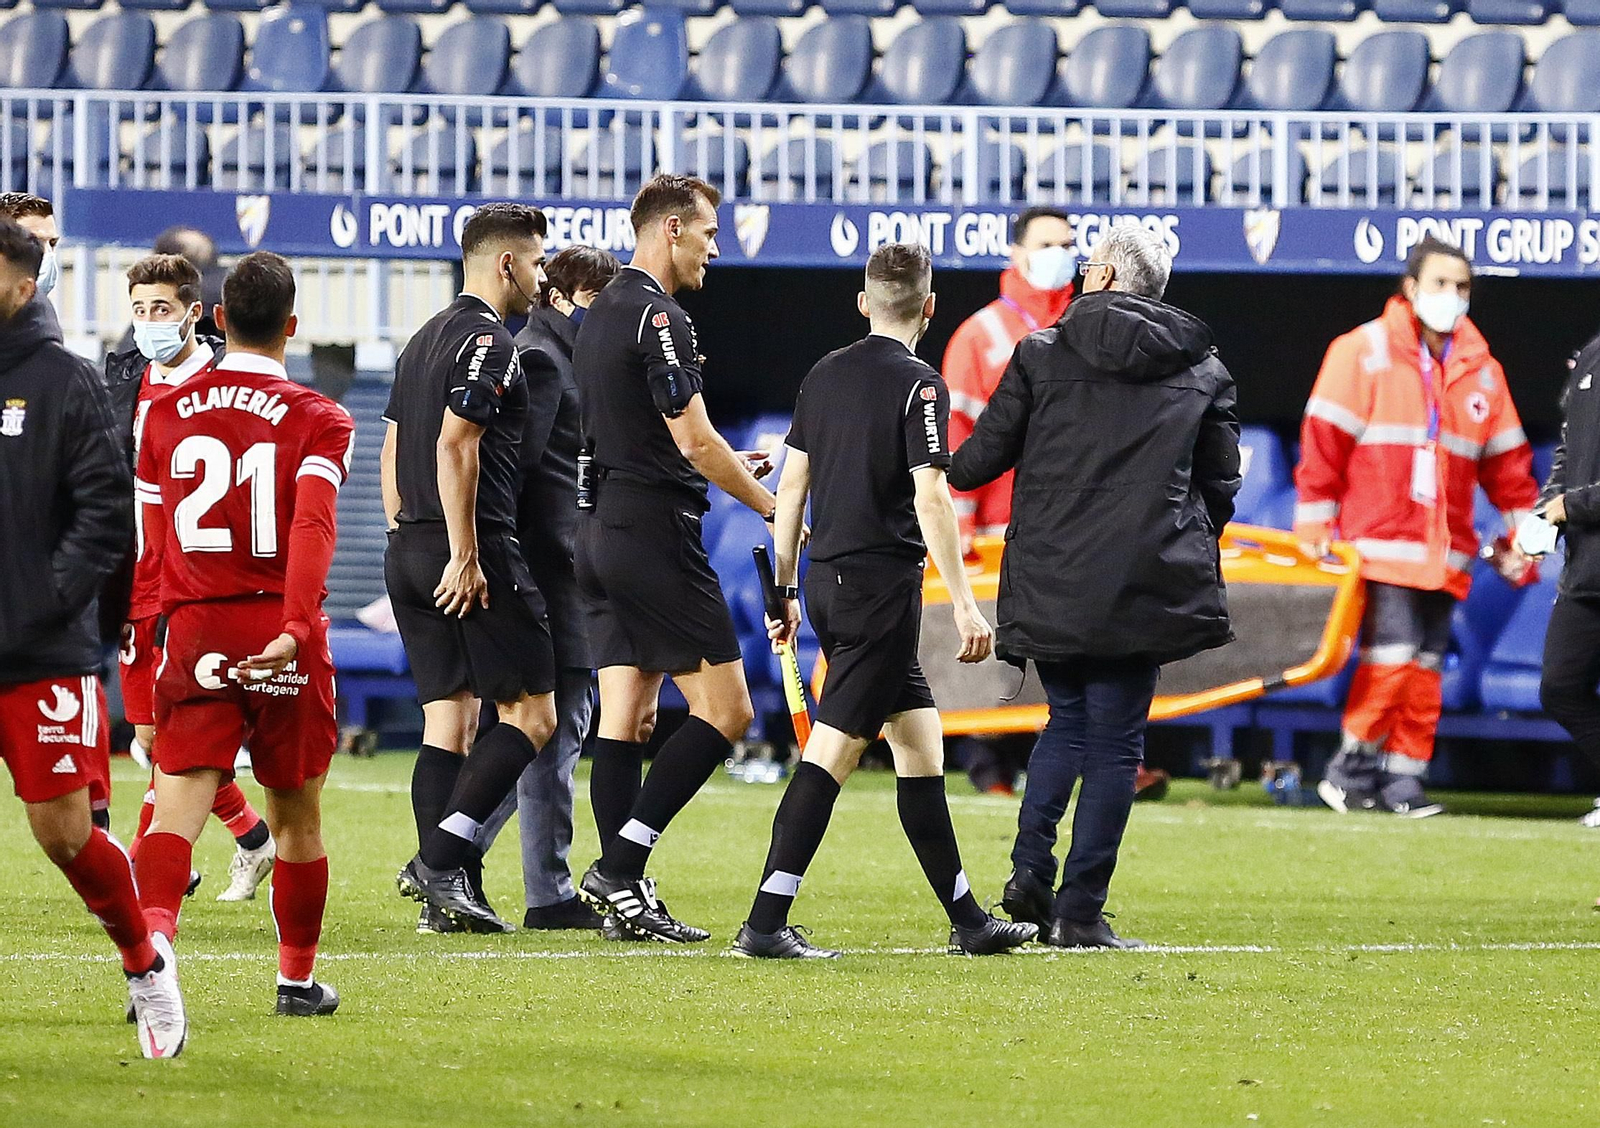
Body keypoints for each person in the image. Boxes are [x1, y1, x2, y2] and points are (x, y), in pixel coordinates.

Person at [732, 242, 1036, 960]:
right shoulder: (922, 386)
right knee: (832, 753)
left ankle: (968, 920)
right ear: (930, 308)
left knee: (920, 745)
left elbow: (792, 491)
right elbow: (932, 494)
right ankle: (765, 922)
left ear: (864, 304)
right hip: (877, 591)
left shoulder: (822, 374)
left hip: (831, 583)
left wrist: (782, 589)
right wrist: (963, 603)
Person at [949, 225, 1240, 949]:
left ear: (1107, 276)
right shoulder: (1202, 367)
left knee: (1069, 722)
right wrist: (1181, 538)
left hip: (1052, 572)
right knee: (1114, 746)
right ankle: (1079, 911)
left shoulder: (1040, 355)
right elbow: (1222, 482)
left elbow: (976, 462)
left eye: (1086, 266)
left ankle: (1029, 868)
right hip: (1146, 576)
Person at [132, 251, 354, 1021]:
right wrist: (296, 626)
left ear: (218, 320)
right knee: (295, 819)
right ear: (293, 326)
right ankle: (295, 982)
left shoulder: (161, 414)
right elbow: (313, 526)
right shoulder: (322, 418)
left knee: (173, 813)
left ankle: (151, 961)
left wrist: (149, 647)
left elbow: (151, 551)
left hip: (194, 628)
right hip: (277, 629)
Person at [572, 174, 777, 944]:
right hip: (651, 535)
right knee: (728, 711)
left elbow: (664, 438)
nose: (714, 250)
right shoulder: (661, 315)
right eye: (709, 234)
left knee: (627, 716)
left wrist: (725, 462)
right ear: (669, 230)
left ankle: (624, 901)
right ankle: (620, 869)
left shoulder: (600, 311)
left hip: (601, 530)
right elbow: (690, 439)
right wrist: (770, 506)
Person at [0, 216, 186, 1058]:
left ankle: (145, 964)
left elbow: (108, 518)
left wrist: (39, 603)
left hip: (36, 653)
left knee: (65, 835)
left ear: (18, 279)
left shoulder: (64, 381)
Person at [1295, 236, 1538, 819]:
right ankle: (1349, 773)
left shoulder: (1483, 372)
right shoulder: (1362, 350)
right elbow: (1324, 442)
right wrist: (1314, 521)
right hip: (1378, 542)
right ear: (1409, 289)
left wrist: (1521, 542)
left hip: (1446, 551)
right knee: (1394, 658)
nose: (1451, 297)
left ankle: (1403, 784)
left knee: (1426, 668)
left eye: (1462, 287)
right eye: (1439, 284)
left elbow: (1508, 470)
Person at [385, 203, 557, 934]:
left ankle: (449, 904)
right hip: (469, 551)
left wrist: (410, 534)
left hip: (409, 547)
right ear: (507, 263)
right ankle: (439, 858)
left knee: (447, 725)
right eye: (540, 261)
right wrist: (464, 552)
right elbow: (457, 445)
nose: (544, 276)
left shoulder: (423, 337)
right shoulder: (492, 340)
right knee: (533, 713)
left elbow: (395, 449)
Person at [459, 246, 622, 935]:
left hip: (551, 566)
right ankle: (507, 876)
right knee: (552, 733)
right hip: (552, 573)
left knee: (537, 732)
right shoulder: (543, 361)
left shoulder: (552, 355)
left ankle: (454, 861)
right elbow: (520, 475)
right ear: (563, 296)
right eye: (594, 303)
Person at [103, 253, 276, 903]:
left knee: (180, 731)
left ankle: (150, 875)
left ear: (193, 313)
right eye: (141, 311)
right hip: (135, 580)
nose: (150, 322)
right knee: (150, 736)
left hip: (202, 586)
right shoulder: (127, 381)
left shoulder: (229, 381)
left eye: (162, 310)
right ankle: (253, 838)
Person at [941, 207, 1075, 797]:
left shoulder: (1084, 324)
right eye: (1047, 243)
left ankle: (1071, 760)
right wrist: (958, 525)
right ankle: (988, 764)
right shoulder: (982, 334)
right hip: (998, 523)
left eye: (1069, 243)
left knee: (1069, 643)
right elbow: (954, 438)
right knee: (997, 647)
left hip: (1070, 521)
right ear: (1016, 253)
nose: (1060, 253)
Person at [1532, 337, 1600, 829]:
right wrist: (1549, 508)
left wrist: (1572, 506)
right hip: (1588, 565)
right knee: (1561, 686)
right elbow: (1569, 443)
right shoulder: (1592, 353)